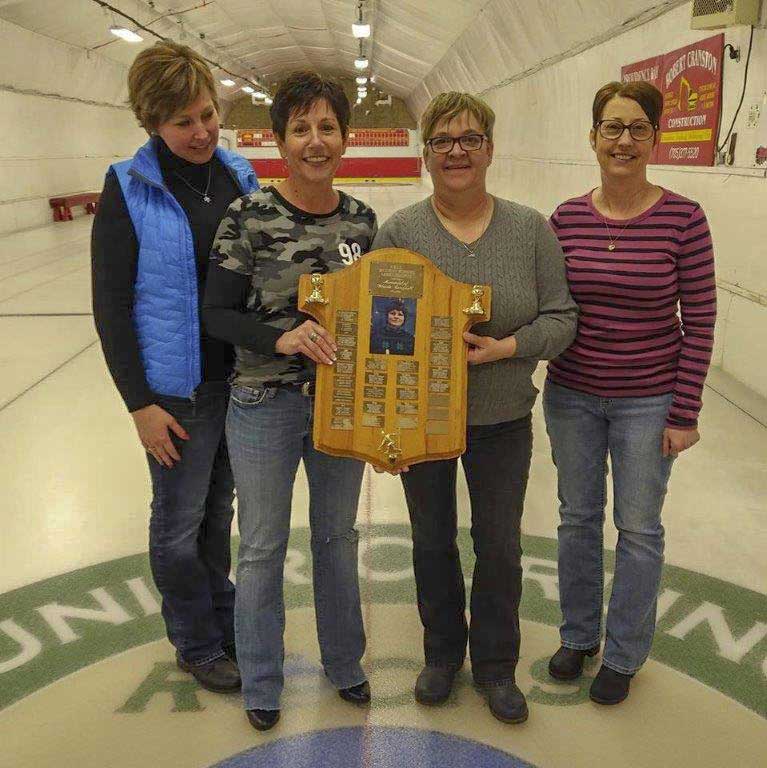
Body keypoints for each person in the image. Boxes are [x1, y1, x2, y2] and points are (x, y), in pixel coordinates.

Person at [372, 92, 578, 724]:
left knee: (499, 547)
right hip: (423, 423)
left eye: (468, 140)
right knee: (431, 542)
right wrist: (385, 427)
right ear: (427, 153)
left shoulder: (529, 229)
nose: (455, 152)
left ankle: (495, 666)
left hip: (502, 420)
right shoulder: (401, 233)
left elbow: (562, 317)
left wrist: (507, 348)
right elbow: (380, 337)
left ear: (489, 149)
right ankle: (441, 656)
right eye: (442, 141)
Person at [203, 71, 377, 732]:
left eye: (326, 126)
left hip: (339, 406)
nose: (314, 140)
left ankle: (344, 665)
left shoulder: (361, 220)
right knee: (263, 546)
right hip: (261, 405)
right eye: (300, 128)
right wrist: (282, 336)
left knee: (336, 537)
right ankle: (263, 679)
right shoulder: (248, 215)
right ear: (279, 140)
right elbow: (217, 314)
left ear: (343, 137)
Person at [91, 42, 258, 692]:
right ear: (152, 122)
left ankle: (223, 623)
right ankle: (194, 641)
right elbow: (110, 303)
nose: (201, 132)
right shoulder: (128, 187)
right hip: (174, 395)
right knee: (179, 525)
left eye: (208, 115)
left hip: (236, 383)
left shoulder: (240, 175)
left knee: (220, 516)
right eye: (183, 121)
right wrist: (140, 403)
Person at [545, 81, 717, 705]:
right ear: (592, 138)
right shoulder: (565, 218)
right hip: (572, 396)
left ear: (654, 138)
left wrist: (684, 411)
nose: (624, 140)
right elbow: (548, 305)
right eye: (612, 128)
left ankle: (622, 654)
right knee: (577, 520)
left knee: (639, 528)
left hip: (649, 402)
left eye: (637, 128)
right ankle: (578, 635)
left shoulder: (684, 218)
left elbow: (699, 319)